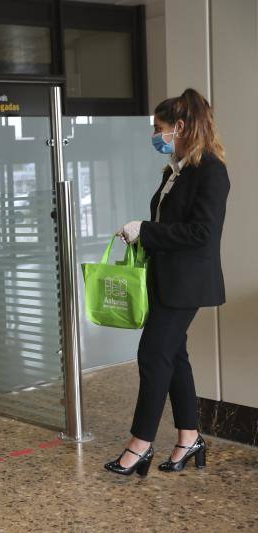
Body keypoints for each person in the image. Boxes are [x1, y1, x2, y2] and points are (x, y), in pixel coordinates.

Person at [105, 88, 229, 476]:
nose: (155, 136)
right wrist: (144, 233)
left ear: (179, 126)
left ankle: (139, 445)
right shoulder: (176, 170)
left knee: (153, 354)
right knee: (175, 356)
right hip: (166, 277)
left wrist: (146, 230)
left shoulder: (211, 169)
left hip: (187, 281)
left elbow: (201, 234)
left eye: (159, 129)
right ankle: (189, 438)